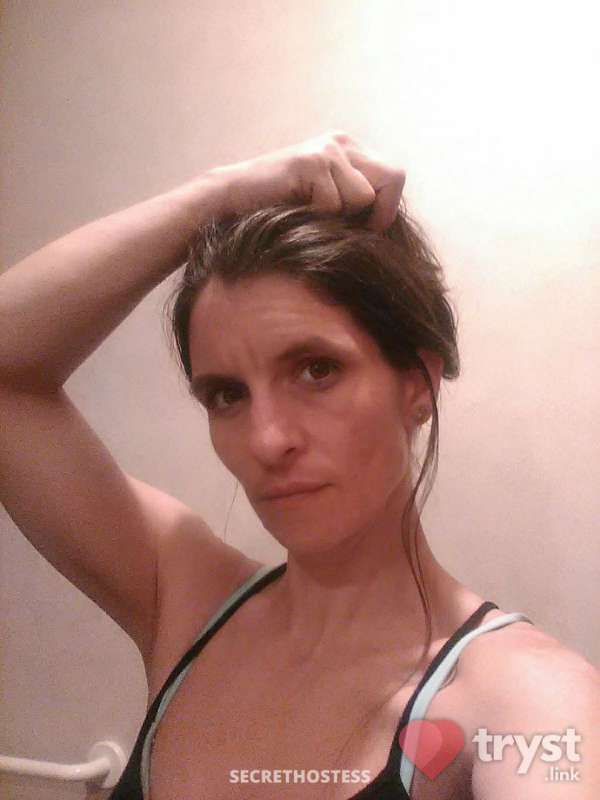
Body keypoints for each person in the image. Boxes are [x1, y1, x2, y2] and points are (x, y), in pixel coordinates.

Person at [0, 131, 597, 799]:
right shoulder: (185, 600)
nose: (266, 440)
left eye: (317, 370)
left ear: (417, 385)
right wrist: (218, 195)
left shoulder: (522, 698)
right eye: (227, 395)